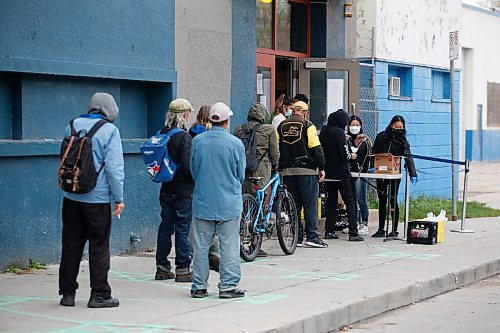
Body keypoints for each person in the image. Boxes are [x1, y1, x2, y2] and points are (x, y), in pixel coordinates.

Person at [59, 92, 124, 308]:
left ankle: (67, 293)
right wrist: (119, 198)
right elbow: (115, 169)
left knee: (70, 245)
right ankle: (99, 294)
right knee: (98, 246)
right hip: (96, 200)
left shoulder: (72, 125)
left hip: (71, 195)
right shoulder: (110, 131)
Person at [190, 102, 246, 299]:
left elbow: (194, 170)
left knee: (200, 246)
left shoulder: (197, 141)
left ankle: (198, 286)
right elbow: (240, 175)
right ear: (226, 121)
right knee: (229, 245)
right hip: (228, 202)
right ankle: (228, 286)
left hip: (203, 201)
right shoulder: (235, 144)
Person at [277, 100, 327, 248]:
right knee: (310, 204)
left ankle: (297, 236)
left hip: (287, 172)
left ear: (293, 110)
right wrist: (321, 166)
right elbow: (315, 147)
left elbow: (277, 147)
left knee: (294, 205)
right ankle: (312, 236)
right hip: (307, 171)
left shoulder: (281, 126)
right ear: (305, 112)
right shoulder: (308, 125)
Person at [154, 98, 194, 283]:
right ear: (184, 115)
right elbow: (188, 166)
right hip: (183, 191)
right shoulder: (184, 137)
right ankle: (183, 268)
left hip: (166, 189)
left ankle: (162, 267)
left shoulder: (162, 133)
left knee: (165, 227)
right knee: (182, 229)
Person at [234, 103, 280, 257]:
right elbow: (274, 154)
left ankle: (239, 240)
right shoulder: (268, 130)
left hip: (242, 171)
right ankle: (255, 244)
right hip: (260, 170)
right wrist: (276, 164)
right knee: (260, 203)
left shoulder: (239, 129)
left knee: (244, 204)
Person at [319, 109, 364, 242]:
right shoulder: (339, 133)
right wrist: (352, 156)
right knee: (349, 201)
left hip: (328, 172)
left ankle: (329, 230)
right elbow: (344, 154)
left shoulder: (324, 131)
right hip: (341, 173)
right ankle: (353, 232)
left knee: (331, 201)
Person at [371, 115, 418, 238]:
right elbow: (374, 152)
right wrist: (371, 167)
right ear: (391, 125)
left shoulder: (403, 140)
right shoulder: (381, 136)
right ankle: (381, 229)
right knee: (381, 200)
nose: (399, 129)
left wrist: (413, 172)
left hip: (394, 174)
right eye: (397, 127)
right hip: (380, 173)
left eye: (401, 127)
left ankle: (394, 230)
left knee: (393, 199)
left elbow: (408, 155)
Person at [188, 105, 220, 272]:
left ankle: (195, 256)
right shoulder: (208, 135)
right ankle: (212, 252)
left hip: (196, 184)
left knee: (196, 223)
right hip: (212, 183)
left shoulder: (192, 132)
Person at [347, 115, 372, 236]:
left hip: (361, 173)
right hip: (350, 173)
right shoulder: (347, 139)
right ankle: (354, 223)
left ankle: (364, 223)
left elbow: (364, 157)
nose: (355, 127)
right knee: (352, 199)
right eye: (352, 125)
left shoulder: (365, 140)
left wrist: (355, 158)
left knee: (361, 198)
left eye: (357, 125)